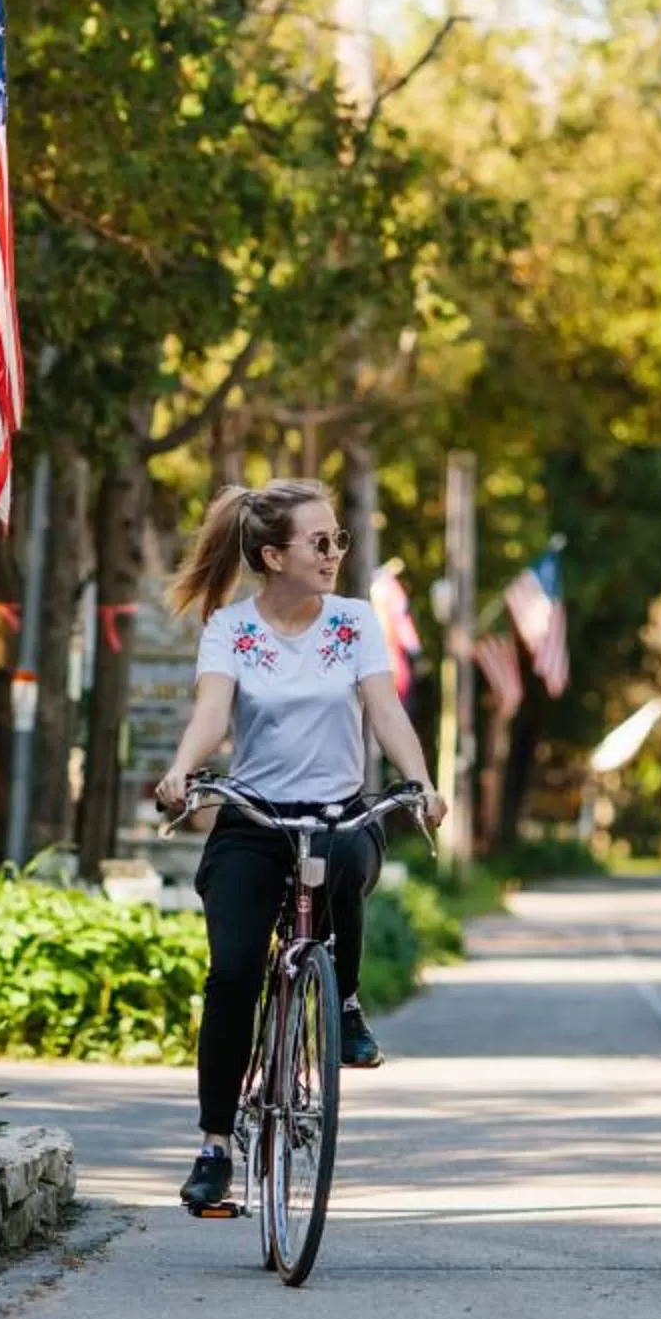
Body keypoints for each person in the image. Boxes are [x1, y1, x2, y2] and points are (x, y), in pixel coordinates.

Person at [149, 480, 446, 1217]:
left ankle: (340, 1001)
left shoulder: (352, 621)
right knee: (235, 973)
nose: (334, 554)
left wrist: (420, 782)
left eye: (338, 539)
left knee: (344, 857)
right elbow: (212, 713)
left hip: (339, 813)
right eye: (320, 542)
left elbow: (385, 710)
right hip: (254, 822)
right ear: (272, 555)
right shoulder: (230, 629)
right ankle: (216, 1147)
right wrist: (182, 772)